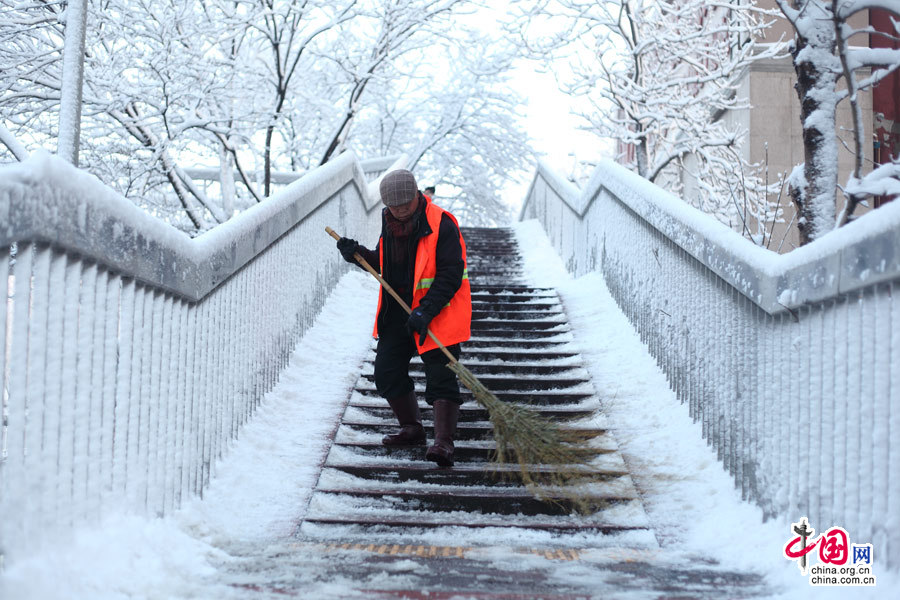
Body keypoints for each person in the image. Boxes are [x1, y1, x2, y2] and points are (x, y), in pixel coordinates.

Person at [336, 169, 471, 466]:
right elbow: (385, 266)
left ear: (416, 195)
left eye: (405, 205)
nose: (399, 211)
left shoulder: (442, 223)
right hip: (397, 312)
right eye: (393, 207)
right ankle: (411, 428)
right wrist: (357, 254)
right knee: (386, 371)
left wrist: (427, 310)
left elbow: (451, 275)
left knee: (441, 376)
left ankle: (443, 442)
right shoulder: (390, 223)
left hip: (437, 312)